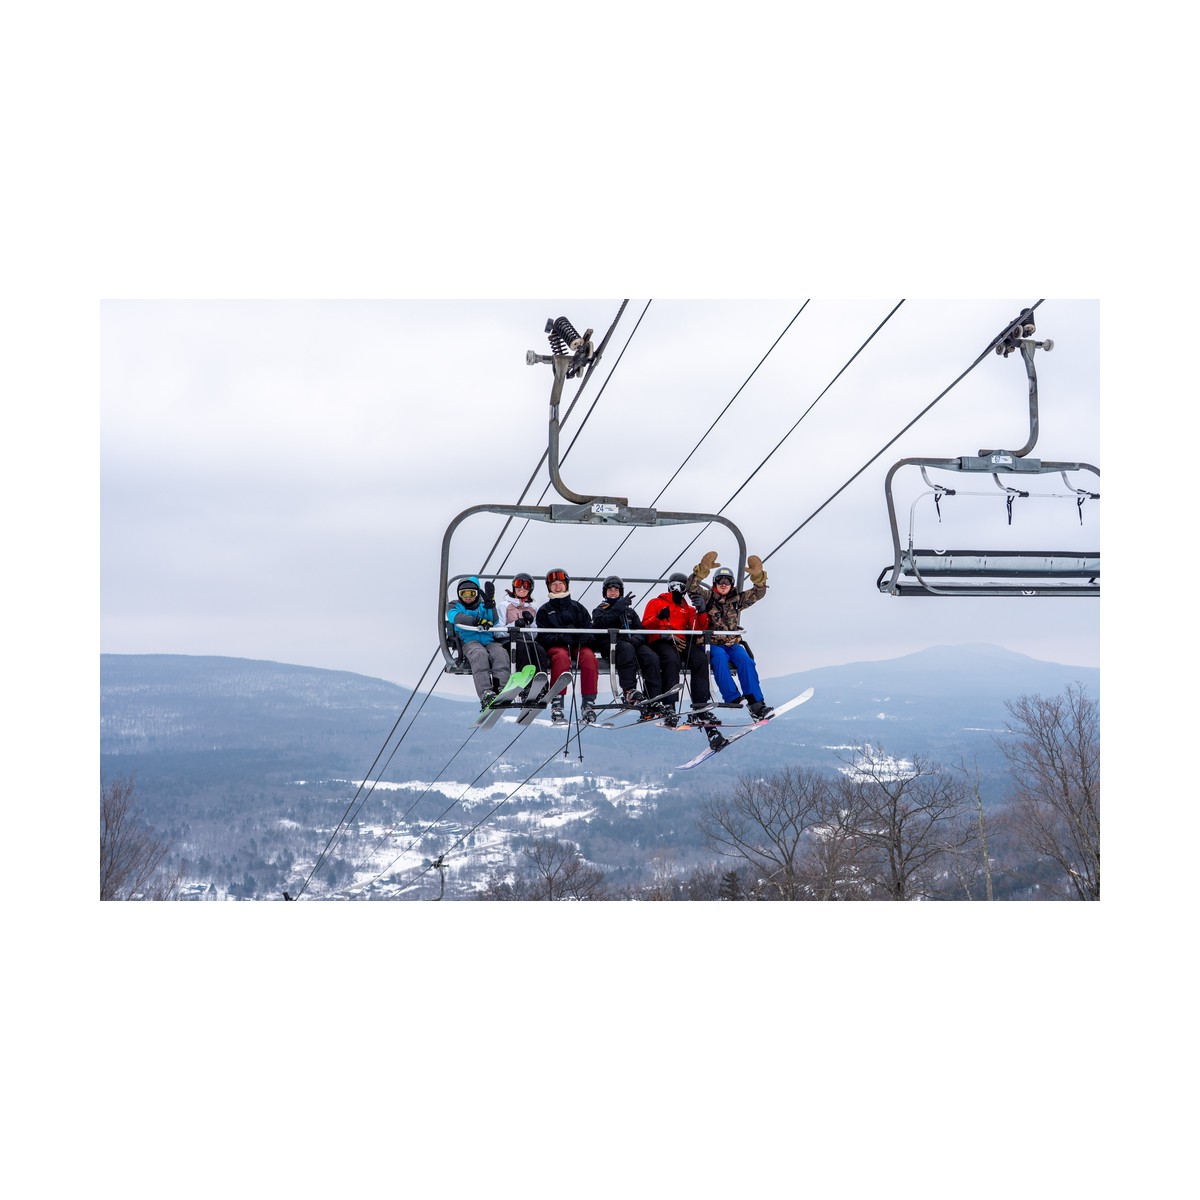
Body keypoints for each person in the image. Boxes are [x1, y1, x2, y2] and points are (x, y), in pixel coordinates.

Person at [641, 572, 724, 747]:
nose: (678, 589)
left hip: (682, 641)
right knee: (671, 660)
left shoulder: (687, 608)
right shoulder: (656, 603)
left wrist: (701, 611)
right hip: (662, 641)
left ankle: (700, 704)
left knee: (700, 659)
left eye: (681, 586)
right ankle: (670, 704)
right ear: (669, 586)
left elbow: (700, 627)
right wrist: (659, 619)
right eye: (675, 585)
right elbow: (645, 626)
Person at [687, 551, 773, 719]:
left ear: (732, 584)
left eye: (727, 582)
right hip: (711, 642)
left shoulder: (737, 600)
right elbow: (692, 589)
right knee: (718, 657)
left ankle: (756, 703)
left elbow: (758, 594)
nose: (724, 585)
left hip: (731, 643)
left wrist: (759, 578)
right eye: (720, 581)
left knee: (745, 660)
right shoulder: (708, 596)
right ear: (714, 583)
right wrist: (701, 571)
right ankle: (732, 696)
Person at [590, 575, 665, 717]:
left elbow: (641, 630)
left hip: (631, 643)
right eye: (610, 590)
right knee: (626, 649)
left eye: (616, 589)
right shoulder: (601, 609)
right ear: (605, 592)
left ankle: (653, 696)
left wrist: (637, 638)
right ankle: (629, 690)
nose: (613, 592)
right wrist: (618, 607)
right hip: (612, 645)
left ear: (621, 591)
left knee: (651, 657)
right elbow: (600, 623)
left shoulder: (629, 612)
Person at [535, 568, 600, 724]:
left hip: (578, 645)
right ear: (549, 587)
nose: (557, 587)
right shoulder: (545, 610)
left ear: (566, 585)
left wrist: (583, 638)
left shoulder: (577, 608)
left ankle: (588, 703)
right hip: (557, 646)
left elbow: (591, 632)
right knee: (561, 657)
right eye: (554, 584)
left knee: (589, 657)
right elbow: (542, 637)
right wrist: (559, 637)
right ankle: (557, 701)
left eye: (560, 583)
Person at [446, 575, 511, 708]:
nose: (468, 597)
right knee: (479, 655)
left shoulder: (483, 605)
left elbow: (493, 620)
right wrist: (475, 621)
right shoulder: (455, 605)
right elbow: (455, 617)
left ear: (477, 593)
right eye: (464, 593)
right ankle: (486, 693)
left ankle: (501, 688)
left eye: (471, 593)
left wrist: (490, 604)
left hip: (489, 640)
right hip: (469, 641)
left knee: (500, 654)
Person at [503, 572, 550, 681]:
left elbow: (534, 634)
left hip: (527, 641)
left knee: (539, 650)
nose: (522, 588)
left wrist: (531, 623)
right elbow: (497, 631)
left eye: (526, 585)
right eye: (518, 584)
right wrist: (514, 625)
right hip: (509, 641)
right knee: (523, 649)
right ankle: (525, 684)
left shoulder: (533, 608)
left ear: (530, 589)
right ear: (513, 587)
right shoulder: (504, 605)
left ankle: (541, 684)